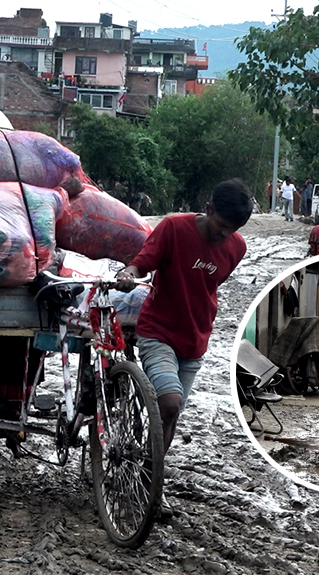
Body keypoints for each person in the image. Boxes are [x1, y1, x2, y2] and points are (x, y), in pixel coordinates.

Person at [114, 179, 252, 460]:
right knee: (170, 401)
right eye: (221, 225)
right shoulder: (174, 228)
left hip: (195, 340)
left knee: (171, 413)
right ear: (208, 208)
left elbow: (211, 286)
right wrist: (128, 273)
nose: (224, 234)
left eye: (232, 229)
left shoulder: (237, 248)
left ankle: (150, 475)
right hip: (158, 331)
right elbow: (143, 261)